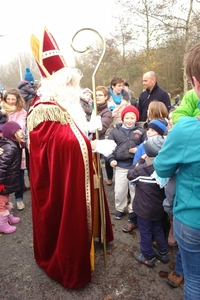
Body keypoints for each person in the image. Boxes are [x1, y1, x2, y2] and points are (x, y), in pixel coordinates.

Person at [28, 27, 115, 289]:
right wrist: (90, 145)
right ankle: (70, 256)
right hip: (61, 180)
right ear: (52, 83)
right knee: (70, 212)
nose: (71, 86)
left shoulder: (69, 103)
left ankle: (94, 235)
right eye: (65, 81)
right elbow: (59, 145)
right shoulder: (44, 109)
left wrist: (91, 128)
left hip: (83, 167)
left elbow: (74, 131)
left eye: (72, 80)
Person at [153, 42, 200, 300]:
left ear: (195, 82)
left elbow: (161, 165)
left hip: (193, 220)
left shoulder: (187, 129)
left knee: (195, 281)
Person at [127, 135, 169, 267]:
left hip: (143, 208)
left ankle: (148, 256)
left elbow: (130, 175)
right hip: (158, 207)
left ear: (146, 152)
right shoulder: (165, 169)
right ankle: (163, 253)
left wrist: (139, 159)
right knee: (158, 228)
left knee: (145, 231)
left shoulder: (141, 169)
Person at [107, 105, 146, 230]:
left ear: (136, 118)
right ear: (123, 118)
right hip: (121, 166)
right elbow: (109, 148)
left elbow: (146, 145)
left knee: (134, 189)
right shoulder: (115, 132)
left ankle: (133, 210)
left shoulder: (141, 131)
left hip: (135, 166)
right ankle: (120, 207)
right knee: (120, 189)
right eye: (127, 118)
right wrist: (111, 159)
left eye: (132, 118)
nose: (129, 120)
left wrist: (139, 149)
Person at [1, 88, 27, 211]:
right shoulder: (2, 109)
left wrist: (5, 130)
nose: (10, 102)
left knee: (18, 172)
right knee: (4, 171)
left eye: (13, 99)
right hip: (2, 145)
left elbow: (20, 126)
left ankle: (19, 198)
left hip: (16, 144)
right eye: (8, 99)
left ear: (17, 100)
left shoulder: (21, 112)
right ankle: (3, 203)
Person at [0, 121, 25, 234]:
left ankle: (8, 216)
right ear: (11, 133)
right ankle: (2, 223)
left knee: (5, 200)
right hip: (3, 182)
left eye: (20, 129)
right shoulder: (10, 148)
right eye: (18, 131)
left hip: (8, 181)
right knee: (1, 203)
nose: (21, 132)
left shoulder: (14, 144)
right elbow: (1, 167)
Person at [105, 76, 130, 186]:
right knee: (109, 152)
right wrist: (111, 112)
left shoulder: (126, 98)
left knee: (120, 151)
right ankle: (109, 177)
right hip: (110, 127)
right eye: (119, 86)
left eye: (122, 85)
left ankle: (121, 178)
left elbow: (129, 111)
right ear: (113, 86)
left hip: (122, 127)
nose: (121, 88)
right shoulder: (107, 97)